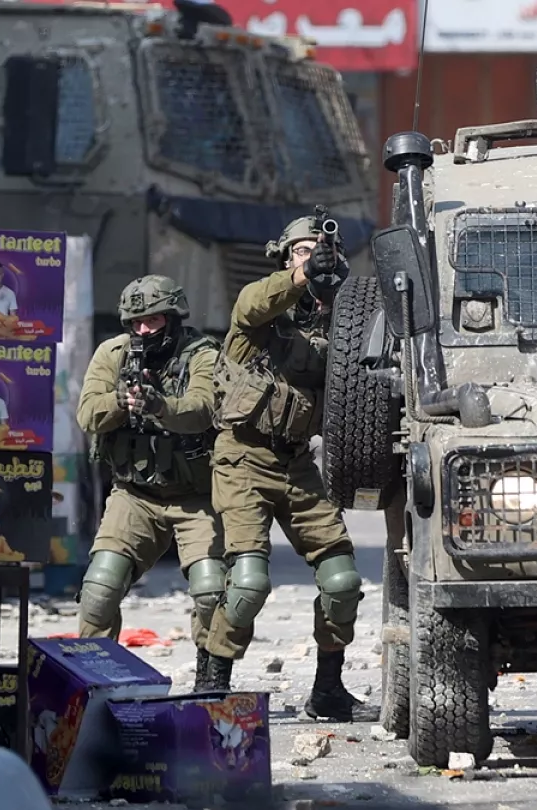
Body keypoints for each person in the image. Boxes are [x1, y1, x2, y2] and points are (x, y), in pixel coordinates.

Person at [200, 216, 374, 721]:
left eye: (323, 250)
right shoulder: (261, 309)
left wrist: (342, 298)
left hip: (297, 461)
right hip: (243, 455)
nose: (314, 256)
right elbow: (251, 305)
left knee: (342, 580)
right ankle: (211, 685)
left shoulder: (341, 322)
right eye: (302, 250)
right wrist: (302, 277)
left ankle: (328, 690)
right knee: (248, 582)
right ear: (285, 257)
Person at [76, 275, 246, 691]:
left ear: (172, 318)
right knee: (99, 589)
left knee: (211, 591)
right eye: (135, 323)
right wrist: (120, 401)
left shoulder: (202, 354)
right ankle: (95, 682)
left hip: (197, 497)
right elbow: (87, 414)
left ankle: (211, 679)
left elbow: (201, 410)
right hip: (134, 495)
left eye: (152, 320)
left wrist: (159, 405)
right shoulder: (112, 354)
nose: (143, 330)